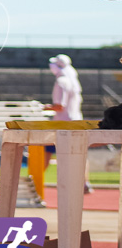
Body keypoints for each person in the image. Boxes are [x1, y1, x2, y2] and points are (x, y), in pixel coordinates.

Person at [44, 54, 92, 193]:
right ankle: (85, 182)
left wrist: (44, 107)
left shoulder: (62, 81)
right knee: (80, 154)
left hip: (62, 124)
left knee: (47, 152)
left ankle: (36, 180)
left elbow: (59, 106)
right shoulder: (74, 82)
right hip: (76, 121)